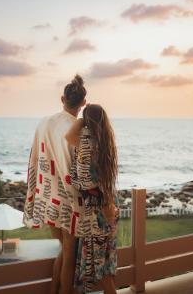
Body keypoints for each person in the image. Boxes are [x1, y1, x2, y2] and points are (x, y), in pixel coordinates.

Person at [23, 75, 87, 294]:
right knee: (69, 256)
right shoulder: (76, 129)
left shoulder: (44, 122)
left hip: (47, 196)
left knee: (64, 250)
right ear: (83, 103)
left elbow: (34, 158)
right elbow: (78, 169)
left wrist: (34, 191)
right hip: (68, 201)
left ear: (63, 98)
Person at [65, 104, 120, 294]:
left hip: (98, 209)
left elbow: (68, 136)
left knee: (99, 266)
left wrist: (82, 117)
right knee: (106, 260)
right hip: (107, 206)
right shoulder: (104, 142)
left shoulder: (87, 142)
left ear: (88, 122)